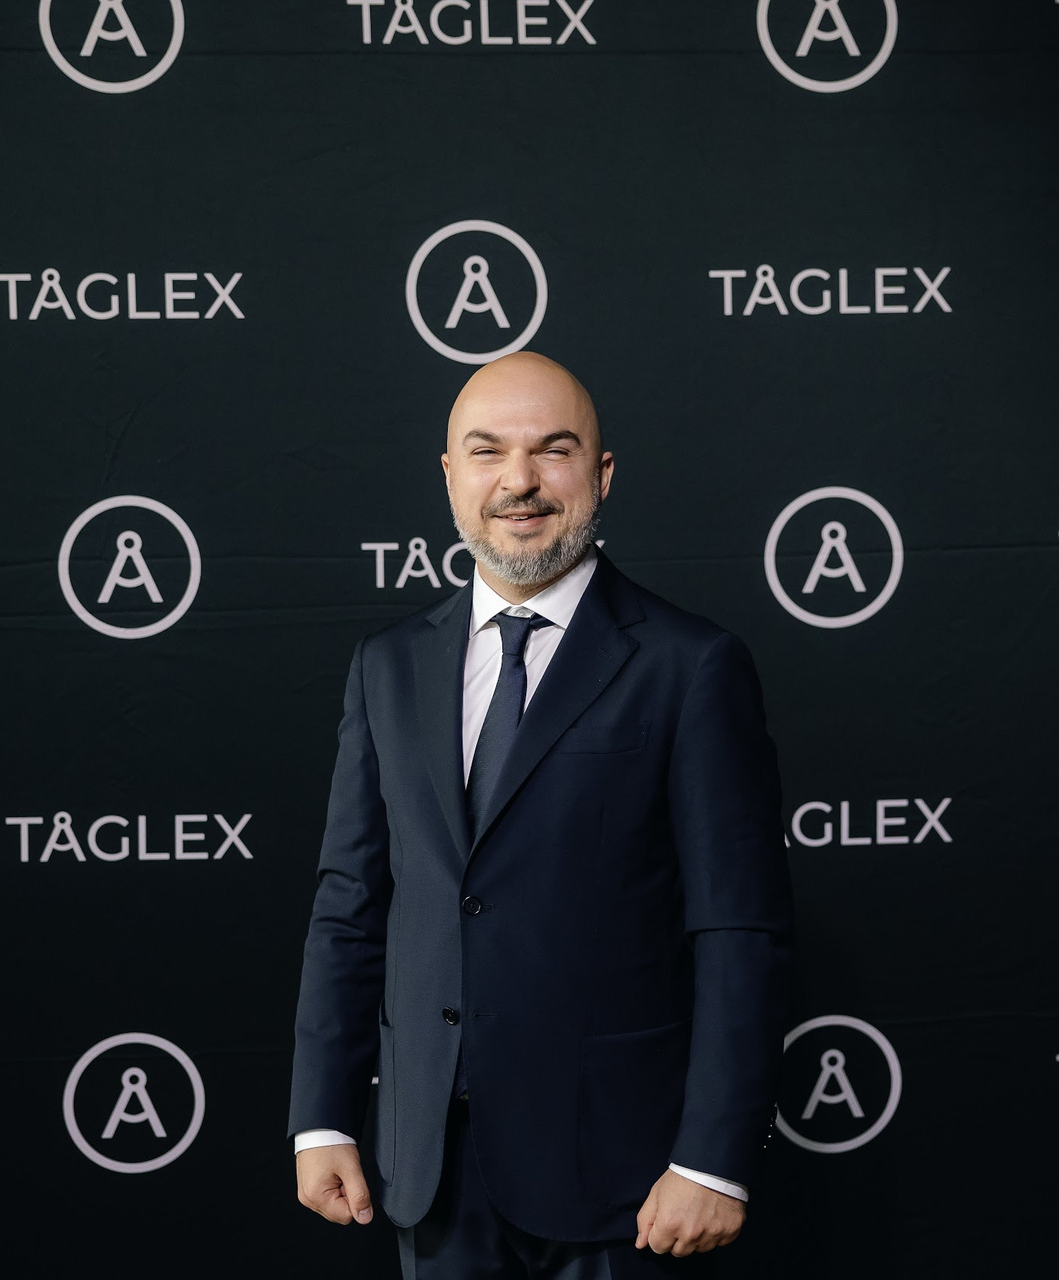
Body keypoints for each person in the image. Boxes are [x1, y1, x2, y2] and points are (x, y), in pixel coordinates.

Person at [288, 352, 793, 1278]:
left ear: (602, 474)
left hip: (625, 1179)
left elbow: (738, 928)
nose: (518, 481)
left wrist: (713, 1160)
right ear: (451, 476)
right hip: (429, 1171)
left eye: (553, 451)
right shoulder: (388, 666)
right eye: (488, 452)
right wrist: (321, 1117)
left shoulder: (690, 665)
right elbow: (349, 908)